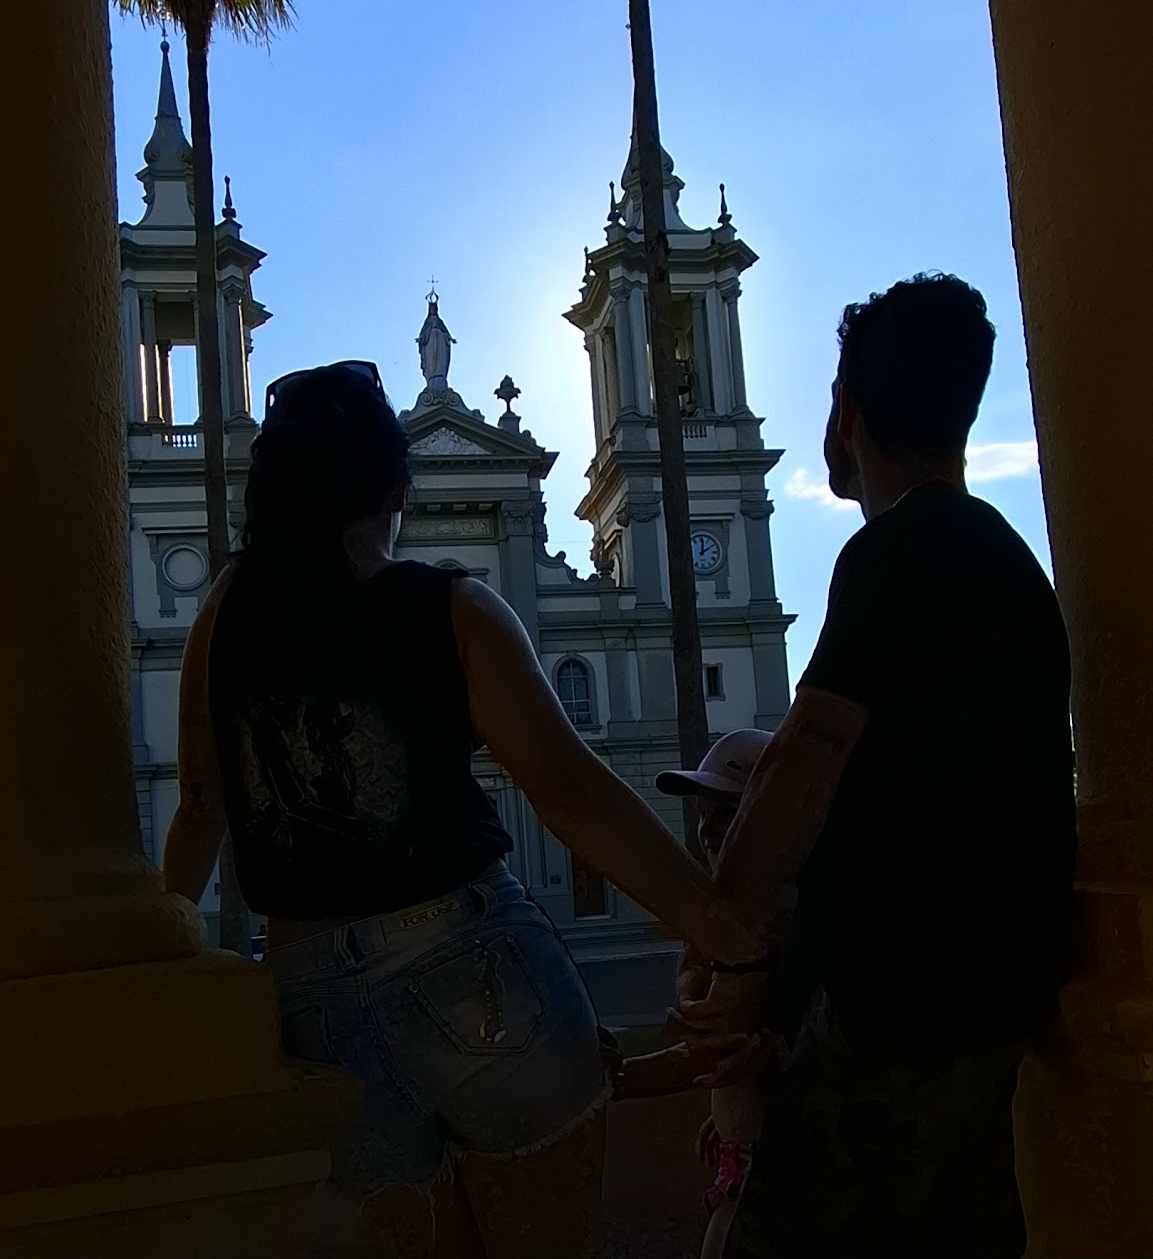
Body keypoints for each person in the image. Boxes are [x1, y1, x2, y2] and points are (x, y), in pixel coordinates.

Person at [163, 360, 759, 1259]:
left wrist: (161, 962)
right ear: (395, 493)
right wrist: (725, 932)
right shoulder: (454, 608)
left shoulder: (222, 616)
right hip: (482, 963)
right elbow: (568, 791)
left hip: (313, 998)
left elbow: (201, 806)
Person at [677, 274, 1077, 1259]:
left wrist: (729, 949)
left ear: (845, 412)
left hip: (894, 1013)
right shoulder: (1008, 565)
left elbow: (803, 758)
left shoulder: (896, 554)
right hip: (993, 1004)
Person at [613, 731, 778, 1259]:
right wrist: (728, 1112)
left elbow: (717, 1051)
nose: (707, 829)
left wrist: (614, 1079)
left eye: (729, 812)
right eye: (704, 813)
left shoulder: (766, 927)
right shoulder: (725, 915)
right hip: (745, 1146)